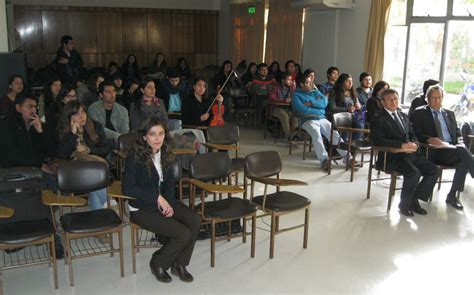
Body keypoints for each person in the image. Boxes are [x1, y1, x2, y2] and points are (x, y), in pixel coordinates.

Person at [122, 118, 201, 283]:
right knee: (182, 234)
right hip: (141, 209)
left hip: (163, 202)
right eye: (152, 134)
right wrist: (157, 197)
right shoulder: (134, 157)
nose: (157, 138)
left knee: (194, 219)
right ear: (144, 137)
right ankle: (158, 262)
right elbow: (128, 189)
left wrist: (170, 205)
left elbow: (170, 184)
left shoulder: (165, 153)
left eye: (161, 133)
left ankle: (179, 264)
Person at [371, 89, 439, 217]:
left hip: (410, 154)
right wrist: (400, 145)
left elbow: (413, 135)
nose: (393, 102)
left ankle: (414, 198)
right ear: (382, 102)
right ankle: (404, 204)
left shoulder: (403, 115)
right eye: (390, 99)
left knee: (433, 170)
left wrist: (415, 144)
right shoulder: (378, 117)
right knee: (414, 173)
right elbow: (377, 140)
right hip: (391, 156)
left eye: (396, 99)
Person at [412, 85, 474, 210]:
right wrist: (429, 139)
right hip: (433, 150)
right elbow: (416, 133)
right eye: (433, 98)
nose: (436, 101)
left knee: (462, 159)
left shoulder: (449, 113)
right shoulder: (420, 112)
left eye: (439, 98)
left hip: (451, 149)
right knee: (463, 156)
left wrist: (460, 142)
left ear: (442, 98)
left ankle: (452, 195)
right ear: (427, 99)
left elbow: (457, 133)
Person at [56, 100, 111, 210]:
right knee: (95, 176)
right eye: (77, 114)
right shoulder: (63, 130)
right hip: (74, 172)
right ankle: (110, 204)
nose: (82, 116)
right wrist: (72, 134)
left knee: (94, 179)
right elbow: (62, 155)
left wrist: (88, 150)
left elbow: (106, 148)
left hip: (94, 168)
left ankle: (99, 213)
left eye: (83, 112)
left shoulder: (95, 126)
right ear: (69, 117)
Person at [291, 73, 350, 171]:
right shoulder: (296, 95)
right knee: (316, 134)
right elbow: (301, 110)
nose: (311, 84)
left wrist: (312, 103)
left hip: (321, 118)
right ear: (301, 84)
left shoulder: (315, 91)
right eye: (307, 82)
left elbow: (324, 103)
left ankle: (348, 157)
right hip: (307, 120)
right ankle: (324, 160)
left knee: (334, 134)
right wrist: (318, 109)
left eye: (311, 82)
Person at [0, 94, 51, 169]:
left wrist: (40, 132)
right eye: (30, 106)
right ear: (18, 108)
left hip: (34, 169)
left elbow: (49, 152)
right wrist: (39, 164)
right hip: (12, 172)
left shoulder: (36, 124)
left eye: (35, 107)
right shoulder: (6, 124)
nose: (34, 110)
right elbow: (11, 155)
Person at [328, 73, 365, 140]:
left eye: (352, 81)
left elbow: (359, 105)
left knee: (360, 125)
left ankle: (352, 145)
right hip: (339, 116)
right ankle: (341, 146)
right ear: (342, 82)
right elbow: (332, 108)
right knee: (345, 127)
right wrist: (347, 109)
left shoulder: (353, 92)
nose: (351, 83)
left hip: (351, 116)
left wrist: (359, 106)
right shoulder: (334, 92)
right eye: (348, 81)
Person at [269, 71, 297, 143]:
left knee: (295, 117)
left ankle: (293, 136)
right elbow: (272, 98)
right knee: (284, 116)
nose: (290, 81)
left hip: (287, 108)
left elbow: (294, 96)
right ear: (283, 80)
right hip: (276, 108)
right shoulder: (276, 87)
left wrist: (293, 87)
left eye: (291, 80)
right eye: (288, 79)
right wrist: (283, 101)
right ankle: (289, 137)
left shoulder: (291, 87)